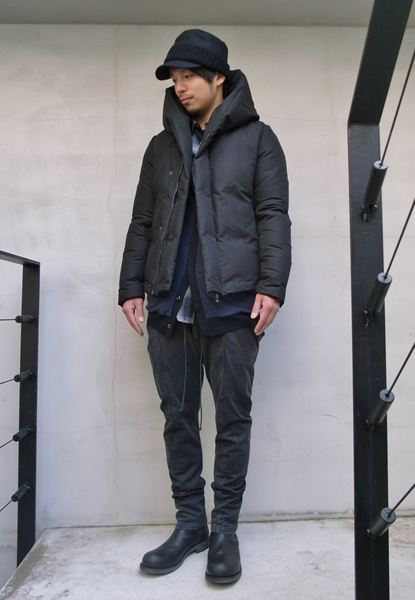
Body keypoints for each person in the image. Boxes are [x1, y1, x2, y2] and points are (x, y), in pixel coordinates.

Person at [118, 29, 291, 585]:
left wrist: (273, 286)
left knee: (233, 419)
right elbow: (143, 220)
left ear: (220, 77)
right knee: (178, 416)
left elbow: (272, 216)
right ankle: (191, 524)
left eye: (190, 75)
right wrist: (130, 286)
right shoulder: (160, 147)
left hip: (233, 303)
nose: (180, 85)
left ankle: (225, 532)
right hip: (169, 302)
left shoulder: (259, 140)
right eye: (174, 77)